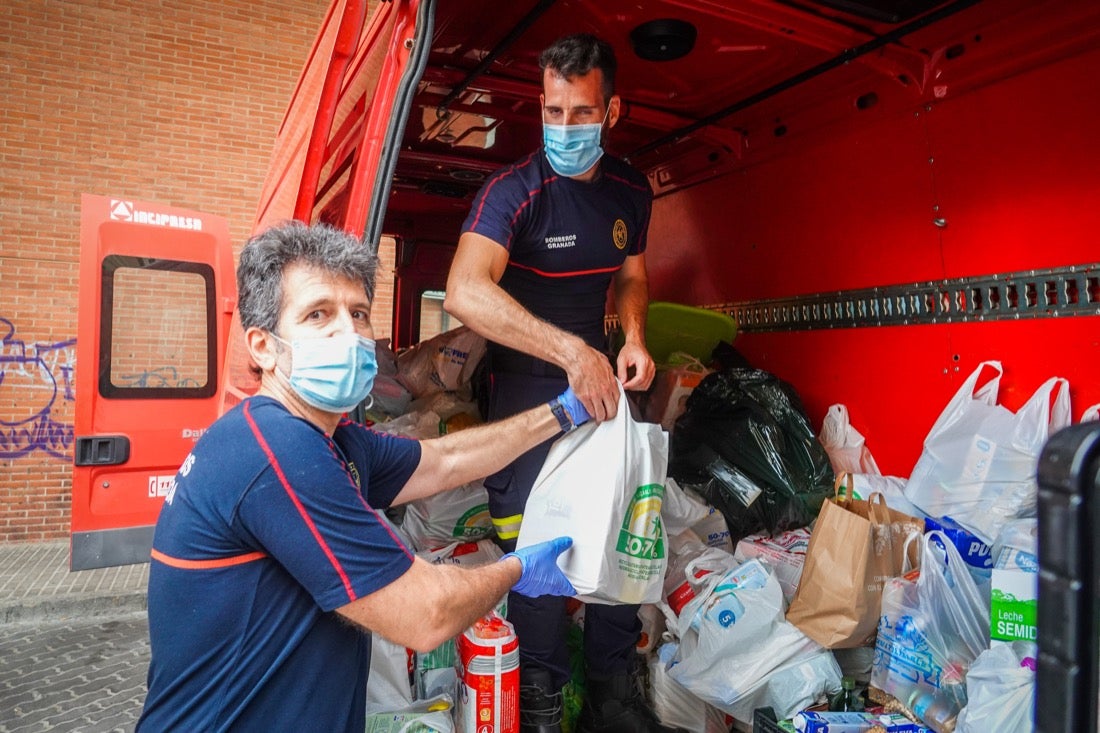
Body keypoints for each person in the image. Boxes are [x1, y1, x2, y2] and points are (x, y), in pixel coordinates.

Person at [136, 221, 588, 732]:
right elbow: (426, 614)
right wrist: (516, 570)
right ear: (262, 347)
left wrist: (562, 413)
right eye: (317, 314)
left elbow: (445, 461)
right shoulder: (275, 450)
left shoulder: (332, 439)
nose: (348, 333)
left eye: (357, 314)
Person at [445, 33, 666, 733]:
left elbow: (631, 275)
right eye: (553, 111)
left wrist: (631, 337)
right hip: (526, 393)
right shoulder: (514, 193)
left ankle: (612, 693)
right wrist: (572, 351)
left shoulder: (631, 188)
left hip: (604, 388)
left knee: (620, 532)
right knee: (538, 553)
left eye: (581, 113)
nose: (565, 128)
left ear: (614, 110)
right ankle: (540, 699)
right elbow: (462, 291)